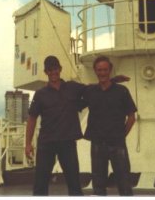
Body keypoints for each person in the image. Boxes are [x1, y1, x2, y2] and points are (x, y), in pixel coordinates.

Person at [25, 55, 85, 196]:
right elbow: (32, 118)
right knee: (40, 184)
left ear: (60, 69)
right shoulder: (40, 94)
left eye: (55, 69)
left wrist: (111, 81)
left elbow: (93, 90)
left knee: (74, 183)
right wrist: (28, 144)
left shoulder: (72, 87)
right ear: (46, 72)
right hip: (46, 143)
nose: (53, 72)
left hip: (67, 142)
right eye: (50, 70)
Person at [82, 55, 137, 196]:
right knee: (98, 184)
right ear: (95, 71)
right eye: (99, 70)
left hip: (117, 143)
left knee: (124, 183)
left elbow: (131, 117)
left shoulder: (122, 91)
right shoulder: (90, 91)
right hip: (97, 144)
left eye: (105, 70)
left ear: (110, 70)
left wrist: (121, 135)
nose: (102, 73)